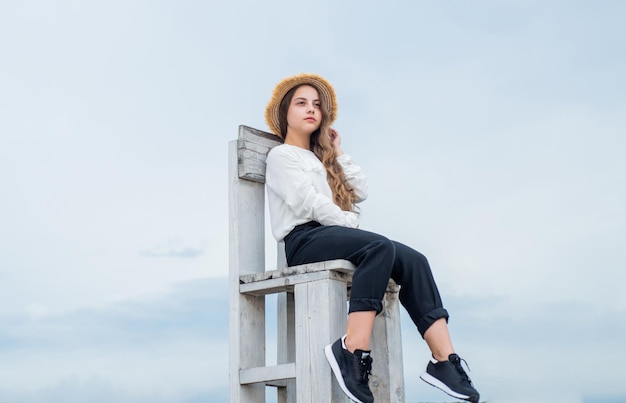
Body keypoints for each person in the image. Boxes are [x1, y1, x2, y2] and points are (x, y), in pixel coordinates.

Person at [264, 73, 480, 403]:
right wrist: (349, 225)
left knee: (413, 260)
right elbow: (308, 203)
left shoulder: (321, 158)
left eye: (317, 105)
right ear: (285, 112)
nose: (311, 110)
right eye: (301, 103)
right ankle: (352, 350)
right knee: (379, 248)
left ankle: (443, 361)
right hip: (304, 241)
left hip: (331, 233)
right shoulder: (282, 156)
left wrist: (337, 152)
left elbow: (359, 190)